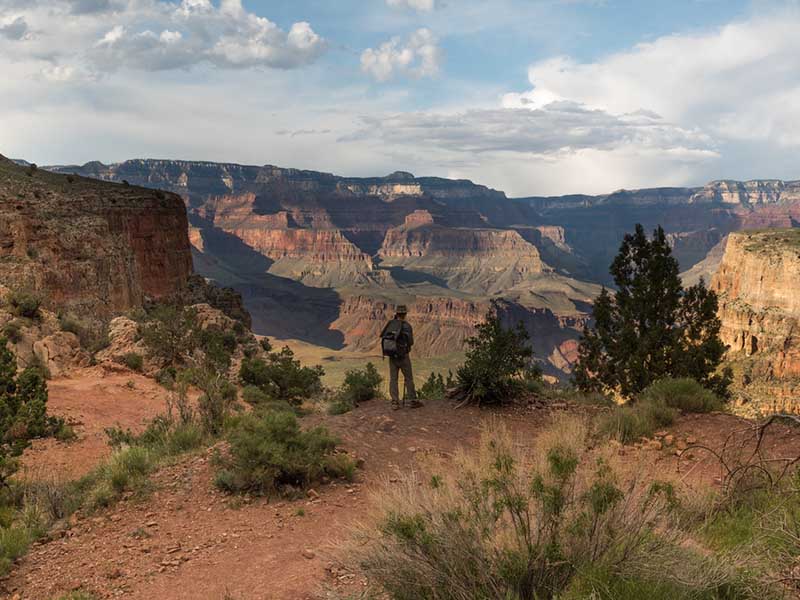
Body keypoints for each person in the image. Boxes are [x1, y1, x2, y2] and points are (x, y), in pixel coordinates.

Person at [380, 305, 422, 410]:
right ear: (405, 314)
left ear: (397, 313)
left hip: (392, 355)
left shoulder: (390, 324)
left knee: (393, 379)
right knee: (408, 378)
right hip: (403, 356)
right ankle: (413, 400)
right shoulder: (407, 326)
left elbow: (383, 336)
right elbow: (411, 342)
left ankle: (395, 402)